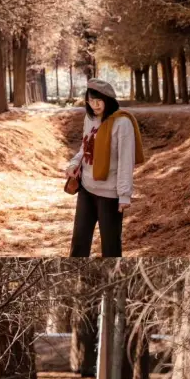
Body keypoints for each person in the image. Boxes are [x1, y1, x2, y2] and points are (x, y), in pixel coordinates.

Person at [67, 78, 144, 258]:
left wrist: (124, 195)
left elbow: (126, 160)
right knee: (78, 243)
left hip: (109, 195)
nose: (94, 106)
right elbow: (85, 148)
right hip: (86, 189)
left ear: (108, 99)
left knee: (110, 248)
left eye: (98, 101)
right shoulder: (89, 118)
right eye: (90, 101)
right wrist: (74, 163)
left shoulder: (122, 123)